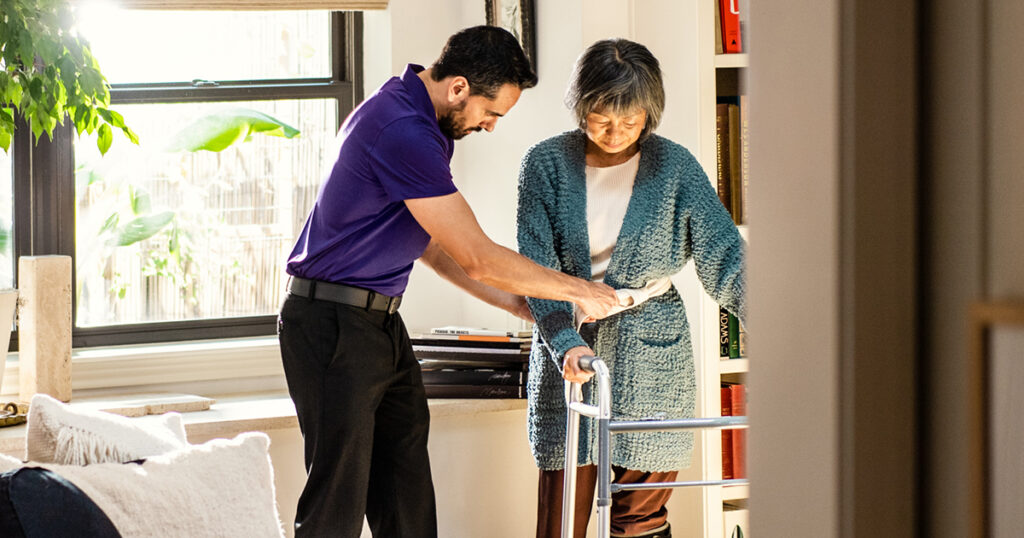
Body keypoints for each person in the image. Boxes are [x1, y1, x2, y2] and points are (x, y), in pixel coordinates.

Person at [278, 26, 619, 538]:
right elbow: (477, 255)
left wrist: (516, 304)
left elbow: (434, 247)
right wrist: (578, 289)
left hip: (378, 325)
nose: (490, 126)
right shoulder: (402, 129)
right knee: (336, 505)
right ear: (458, 87)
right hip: (332, 325)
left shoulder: (423, 120)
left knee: (406, 493)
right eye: (492, 112)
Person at [517, 38, 747, 538]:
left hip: (654, 354)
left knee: (640, 516)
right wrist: (563, 341)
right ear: (581, 107)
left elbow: (725, 257)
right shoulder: (545, 164)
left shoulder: (676, 168)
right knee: (565, 516)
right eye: (602, 116)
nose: (616, 131)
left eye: (631, 119)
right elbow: (533, 268)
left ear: (650, 113)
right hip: (569, 348)